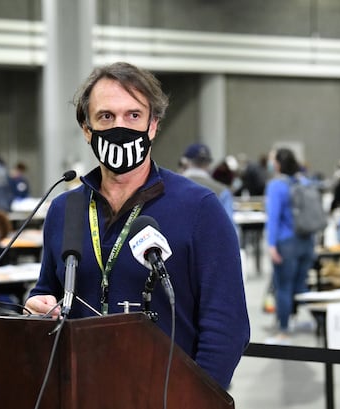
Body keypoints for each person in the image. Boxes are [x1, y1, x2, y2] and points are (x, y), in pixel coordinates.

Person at [24, 62, 250, 390]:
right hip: (80, 392)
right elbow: (47, 289)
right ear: (87, 129)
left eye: (133, 115)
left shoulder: (199, 209)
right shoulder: (65, 209)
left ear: (153, 125)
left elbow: (227, 324)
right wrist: (40, 304)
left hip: (164, 396)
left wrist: (195, 398)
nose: (120, 127)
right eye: (106, 116)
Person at [264, 147, 315, 344]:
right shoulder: (304, 181)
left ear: (277, 163)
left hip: (286, 243)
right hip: (306, 241)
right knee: (301, 285)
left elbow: (273, 218)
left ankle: (283, 331)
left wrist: (271, 245)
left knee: (283, 287)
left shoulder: (277, 186)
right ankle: (316, 320)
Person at [181, 143, 235, 227]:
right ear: (208, 164)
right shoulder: (222, 190)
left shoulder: (171, 187)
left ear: (185, 162)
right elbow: (230, 228)